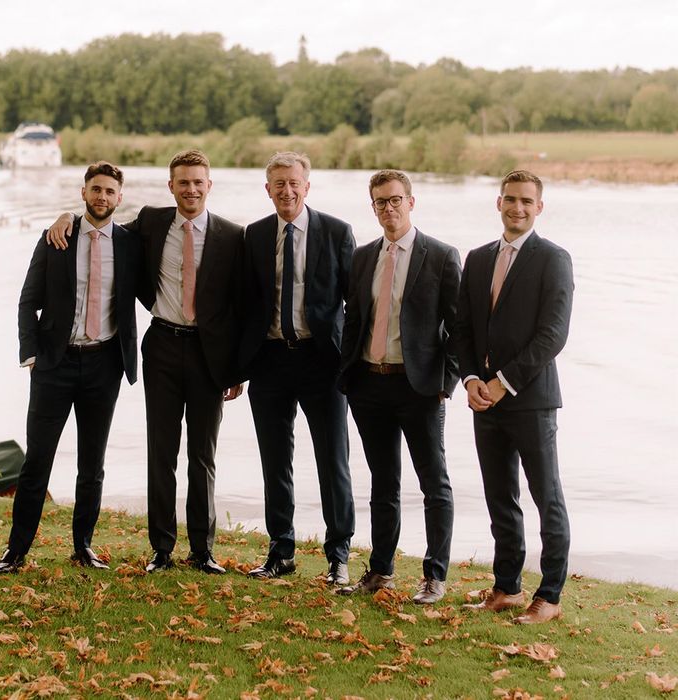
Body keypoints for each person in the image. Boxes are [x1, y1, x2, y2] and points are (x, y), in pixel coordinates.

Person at [45, 150, 244, 575]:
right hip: (163, 348)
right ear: (170, 186)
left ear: (209, 186)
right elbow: (101, 226)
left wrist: (237, 368)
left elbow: (243, 304)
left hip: (210, 357)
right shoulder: (151, 223)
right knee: (162, 452)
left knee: (203, 455)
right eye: (182, 182)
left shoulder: (232, 235)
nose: (190, 189)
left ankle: (203, 551)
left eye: (198, 182)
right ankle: (162, 549)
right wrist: (65, 215)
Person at [0, 161, 142, 573]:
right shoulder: (57, 237)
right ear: (83, 193)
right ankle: (16, 550)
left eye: (110, 191)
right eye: (95, 189)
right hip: (54, 365)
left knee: (91, 464)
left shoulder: (131, 243)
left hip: (104, 364)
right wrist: (32, 355)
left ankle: (83, 546)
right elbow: (28, 300)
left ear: (119, 197)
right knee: (37, 460)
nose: (102, 197)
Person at [454, 169, 573, 624]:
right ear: (498, 203)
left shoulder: (553, 259)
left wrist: (503, 382)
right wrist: (469, 380)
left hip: (531, 400)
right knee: (499, 496)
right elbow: (463, 328)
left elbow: (552, 336)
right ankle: (506, 587)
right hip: (483, 398)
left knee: (547, 497)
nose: (517, 207)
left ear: (538, 207)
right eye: (510, 199)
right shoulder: (478, 258)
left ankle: (550, 594)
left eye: (526, 201)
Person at [337, 170, 461, 602]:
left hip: (420, 388)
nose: (388, 209)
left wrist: (447, 382)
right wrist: (347, 375)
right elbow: (354, 320)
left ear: (411, 201)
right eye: (380, 202)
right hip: (369, 384)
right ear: (372, 207)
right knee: (382, 483)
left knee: (434, 483)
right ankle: (381, 572)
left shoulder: (442, 256)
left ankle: (434, 575)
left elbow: (457, 328)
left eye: (395, 200)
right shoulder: (363, 256)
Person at [241, 152, 355, 584]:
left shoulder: (337, 232)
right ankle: (281, 550)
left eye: (294, 183)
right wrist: (239, 367)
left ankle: (339, 555)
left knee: (333, 460)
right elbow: (244, 305)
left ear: (307, 187)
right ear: (267, 189)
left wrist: (351, 362)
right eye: (278, 184)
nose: (287, 191)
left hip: (322, 361)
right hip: (269, 360)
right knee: (275, 460)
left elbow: (354, 305)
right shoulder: (253, 236)